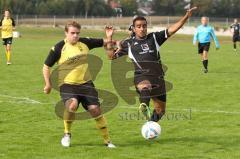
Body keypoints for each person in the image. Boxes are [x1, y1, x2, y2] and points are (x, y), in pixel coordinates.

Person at [105, 7, 197, 122]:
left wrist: (186, 17)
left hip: (158, 78)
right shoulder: (128, 43)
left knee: (161, 111)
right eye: (139, 26)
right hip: (141, 76)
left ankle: (150, 125)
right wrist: (109, 38)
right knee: (145, 86)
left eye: (144, 26)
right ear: (133, 29)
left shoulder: (154, 38)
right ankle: (144, 105)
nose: (142, 29)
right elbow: (111, 56)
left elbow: (172, 30)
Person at [42, 21, 116, 148]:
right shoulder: (59, 47)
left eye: (77, 33)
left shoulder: (85, 42)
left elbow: (105, 43)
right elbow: (46, 66)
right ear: (66, 33)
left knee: (95, 110)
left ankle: (107, 141)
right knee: (72, 105)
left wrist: (109, 37)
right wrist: (48, 84)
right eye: (72, 33)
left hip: (86, 84)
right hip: (67, 85)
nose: (75, 36)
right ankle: (67, 134)